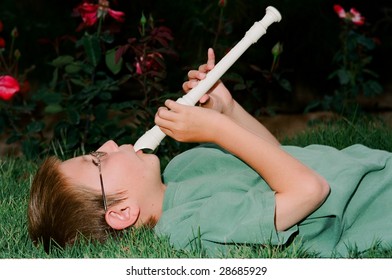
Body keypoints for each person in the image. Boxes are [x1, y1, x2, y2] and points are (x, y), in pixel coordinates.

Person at [28, 49, 392, 257]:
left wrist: (228, 110)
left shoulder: (185, 165)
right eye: (98, 160)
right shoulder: (189, 228)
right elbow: (308, 190)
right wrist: (219, 130)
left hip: (373, 168)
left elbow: (276, 159)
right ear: (122, 213)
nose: (108, 145)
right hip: (376, 205)